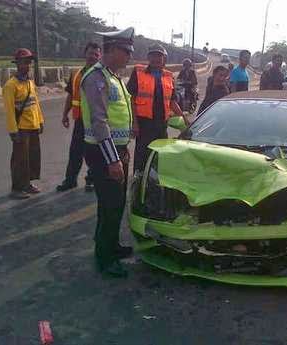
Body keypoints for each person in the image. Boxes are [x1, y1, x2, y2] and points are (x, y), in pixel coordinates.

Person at [80, 28, 135, 277]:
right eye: (126, 52)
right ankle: (105, 258)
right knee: (111, 204)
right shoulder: (96, 77)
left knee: (115, 202)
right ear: (112, 50)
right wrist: (113, 159)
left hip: (116, 149)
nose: (128, 57)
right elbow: (100, 122)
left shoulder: (113, 76)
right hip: (103, 151)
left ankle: (110, 245)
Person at [127, 43, 189, 173]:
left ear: (164, 59)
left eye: (159, 56)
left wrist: (184, 118)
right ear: (148, 58)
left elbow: (172, 101)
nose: (156, 59)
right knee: (141, 153)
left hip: (161, 124)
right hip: (144, 123)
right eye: (153, 55)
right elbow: (131, 99)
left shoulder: (169, 76)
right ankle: (138, 181)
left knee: (160, 154)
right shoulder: (138, 72)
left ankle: (153, 182)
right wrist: (134, 123)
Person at [56, 42, 102, 192]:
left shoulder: (102, 74)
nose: (93, 56)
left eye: (96, 54)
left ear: (100, 56)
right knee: (75, 151)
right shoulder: (76, 74)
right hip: (80, 120)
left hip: (96, 121)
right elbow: (71, 96)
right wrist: (65, 114)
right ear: (85, 54)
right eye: (90, 53)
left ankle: (92, 180)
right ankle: (70, 180)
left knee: (94, 152)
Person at [2, 48, 44, 200]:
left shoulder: (29, 82)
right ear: (17, 64)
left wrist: (40, 121)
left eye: (29, 62)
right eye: (24, 62)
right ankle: (17, 188)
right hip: (21, 128)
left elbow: (35, 103)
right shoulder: (10, 85)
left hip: (33, 125)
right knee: (20, 158)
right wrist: (13, 131)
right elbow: (9, 111)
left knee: (32, 156)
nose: (27, 65)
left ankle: (27, 184)